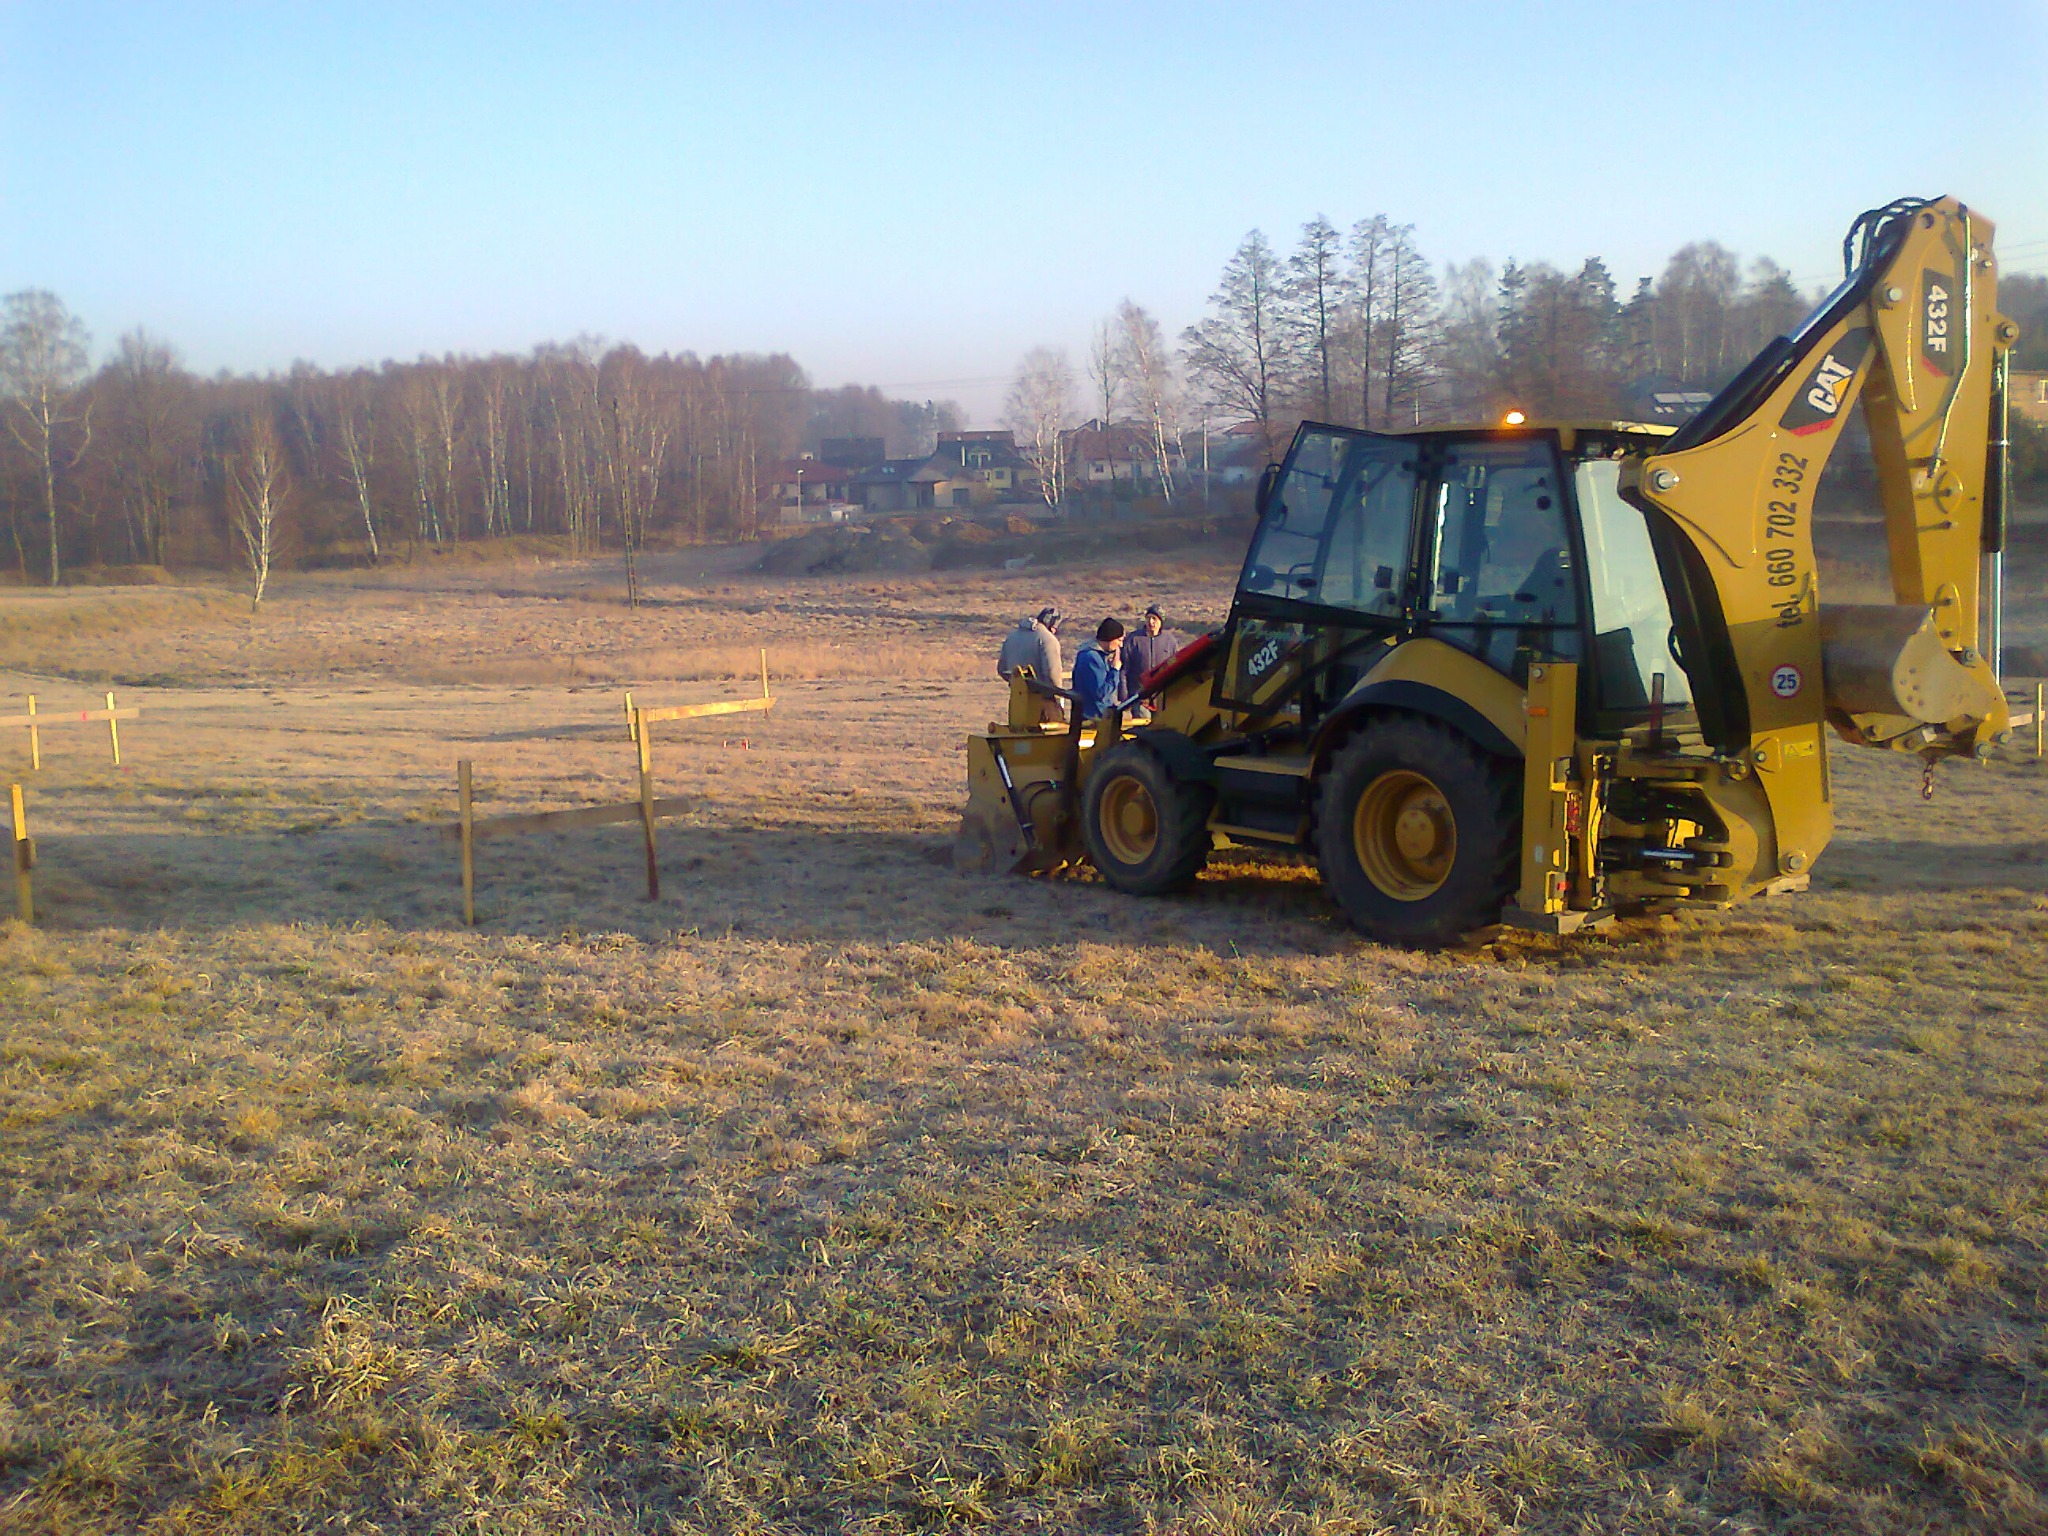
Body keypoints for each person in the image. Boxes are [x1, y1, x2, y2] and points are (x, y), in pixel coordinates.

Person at [997, 606, 1066, 723]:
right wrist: (1058, 699)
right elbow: (1052, 675)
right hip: (1042, 705)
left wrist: (1018, 683)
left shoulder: (1012, 637)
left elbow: (1002, 669)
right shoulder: (1048, 639)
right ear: (1052, 626)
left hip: (1017, 703)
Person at [1119, 603, 1182, 707]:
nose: (1151, 622)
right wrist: (1124, 697)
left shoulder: (1170, 641)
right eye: (1148, 618)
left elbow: (1176, 667)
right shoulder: (1133, 639)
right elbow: (1124, 670)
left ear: (1161, 622)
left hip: (1161, 697)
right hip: (1138, 696)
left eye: (1154, 619)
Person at [1070, 617, 1126, 720]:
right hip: (1093, 718)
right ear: (1110, 638)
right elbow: (1101, 694)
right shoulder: (1092, 658)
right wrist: (1115, 670)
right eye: (1119, 640)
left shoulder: (1096, 656)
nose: (1120, 645)